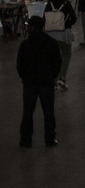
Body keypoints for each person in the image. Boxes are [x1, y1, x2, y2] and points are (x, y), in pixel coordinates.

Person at [18, 16, 61, 148]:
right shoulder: (52, 43)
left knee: (28, 112)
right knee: (48, 112)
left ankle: (25, 140)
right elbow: (57, 64)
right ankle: (50, 138)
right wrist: (51, 76)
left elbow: (20, 65)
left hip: (30, 83)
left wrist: (25, 78)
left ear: (33, 28)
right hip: (46, 82)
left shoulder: (25, 45)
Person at [44, 0, 76, 91]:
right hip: (64, 33)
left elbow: (44, 17)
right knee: (66, 54)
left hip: (50, 34)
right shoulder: (66, 4)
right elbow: (74, 18)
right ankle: (62, 78)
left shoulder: (49, 4)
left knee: (53, 57)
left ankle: (53, 79)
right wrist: (68, 24)